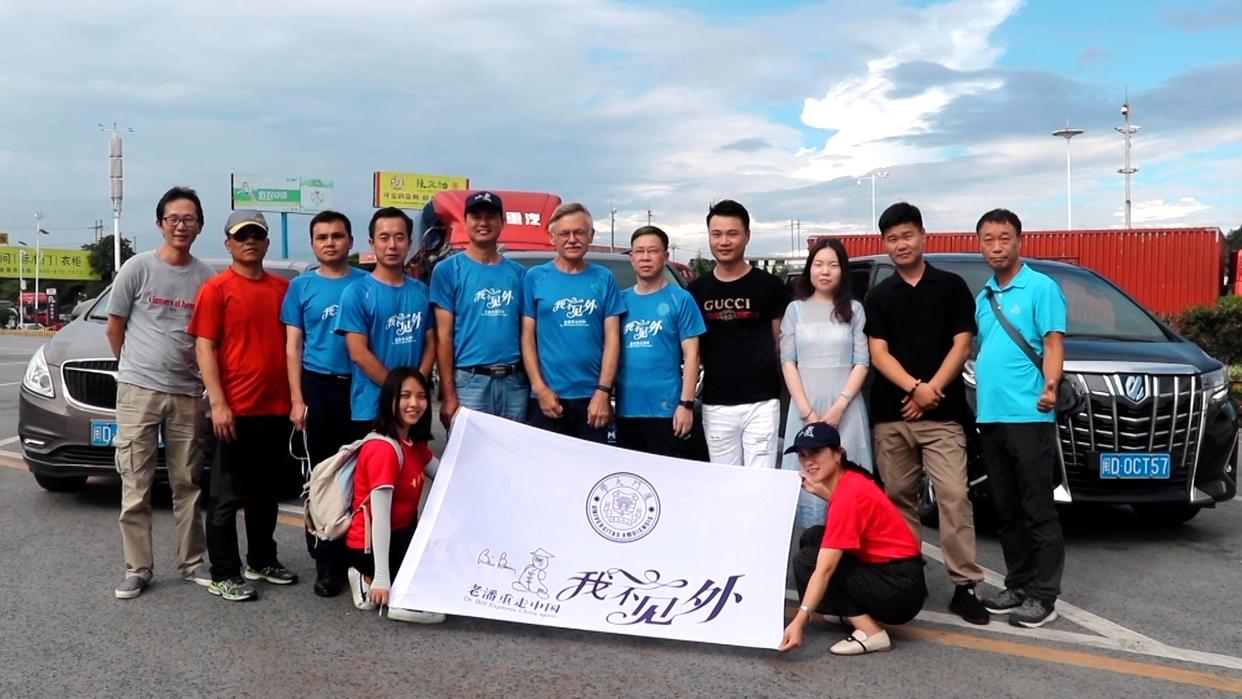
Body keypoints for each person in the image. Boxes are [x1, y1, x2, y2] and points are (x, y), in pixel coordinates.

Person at [863, 201, 988, 625]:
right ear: (885, 243)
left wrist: (932, 390)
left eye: (907, 235)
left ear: (922, 236)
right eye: (892, 238)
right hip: (892, 414)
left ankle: (965, 585)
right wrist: (915, 389)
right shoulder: (879, 295)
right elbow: (878, 353)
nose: (901, 244)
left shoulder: (950, 286)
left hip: (943, 414)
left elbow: (962, 343)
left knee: (954, 496)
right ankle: (906, 578)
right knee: (899, 499)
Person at [106, 186, 215, 599]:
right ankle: (138, 568)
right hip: (139, 390)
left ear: (199, 226)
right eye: (173, 219)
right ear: (159, 223)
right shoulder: (138, 268)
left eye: (189, 219)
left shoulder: (206, 278)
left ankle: (192, 562)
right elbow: (114, 326)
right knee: (136, 482)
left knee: (188, 482)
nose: (181, 226)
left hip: (187, 393)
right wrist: (133, 369)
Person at [189, 210, 295, 602]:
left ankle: (262, 559)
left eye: (256, 235)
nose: (249, 241)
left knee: (264, 494)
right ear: (228, 244)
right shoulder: (216, 289)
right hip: (235, 410)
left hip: (275, 408)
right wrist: (218, 403)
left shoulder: (282, 289)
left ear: (266, 242)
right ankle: (224, 572)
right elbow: (205, 347)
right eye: (241, 236)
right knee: (226, 496)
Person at [973, 208, 1068, 629]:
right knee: (1006, 508)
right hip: (991, 416)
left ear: (1019, 241)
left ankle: (1043, 596)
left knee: (1036, 507)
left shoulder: (1042, 288)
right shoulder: (984, 297)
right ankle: (1018, 584)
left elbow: (1053, 343)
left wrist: (1051, 385)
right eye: (988, 239)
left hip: (1030, 415)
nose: (997, 247)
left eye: (1004, 238)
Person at [779, 423, 927, 656]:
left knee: (808, 561)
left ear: (838, 454)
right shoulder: (851, 479)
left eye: (816, 452)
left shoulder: (849, 496)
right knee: (812, 537)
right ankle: (847, 610)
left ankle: (871, 632)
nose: (808, 461)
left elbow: (824, 570)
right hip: (898, 575)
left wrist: (800, 620)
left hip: (898, 590)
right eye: (802, 455)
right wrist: (822, 492)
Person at [281, 210, 369, 598]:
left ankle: (360, 560)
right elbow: (293, 346)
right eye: (322, 237)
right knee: (324, 478)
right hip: (318, 387)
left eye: (337, 235)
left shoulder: (367, 283)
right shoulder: (301, 287)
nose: (330, 242)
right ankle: (326, 563)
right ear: (313, 244)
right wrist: (297, 398)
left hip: (362, 388)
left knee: (362, 476)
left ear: (350, 241)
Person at [688, 200, 788, 468]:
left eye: (732, 233)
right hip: (716, 402)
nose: (724, 241)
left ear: (747, 236)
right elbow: (693, 349)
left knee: (760, 480)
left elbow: (779, 342)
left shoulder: (770, 286)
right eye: (716, 234)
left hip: (762, 401)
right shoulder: (696, 290)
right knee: (725, 481)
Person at [780, 238, 871, 528]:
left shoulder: (854, 310)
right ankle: (812, 548)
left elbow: (862, 362)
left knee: (845, 478)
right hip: (805, 406)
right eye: (818, 264)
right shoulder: (795, 310)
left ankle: (848, 549)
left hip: (845, 408)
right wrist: (807, 412)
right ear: (809, 269)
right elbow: (788, 361)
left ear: (843, 270)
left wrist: (839, 407)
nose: (825, 271)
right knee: (809, 476)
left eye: (833, 265)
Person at [343, 367, 445, 625]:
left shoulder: (414, 444)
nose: (414, 403)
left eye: (421, 396)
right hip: (370, 545)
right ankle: (368, 577)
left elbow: (447, 476)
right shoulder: (383, 449)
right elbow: (380, 519)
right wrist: (382, 576)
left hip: (402, 534)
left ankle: (382, 579)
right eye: (405, 396)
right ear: (390, 399)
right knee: (427, 587)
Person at [521, 202, 623, 442]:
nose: (572, 239)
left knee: (592, 465)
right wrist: (539, 388)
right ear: (552, 238)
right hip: (548, 398)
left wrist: (603, 391)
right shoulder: (535, 277)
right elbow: (527, 337)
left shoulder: (604, 278)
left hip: (592, 399)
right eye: (564, 233)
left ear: (591, 236)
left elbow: (613, 338)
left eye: (579, 232)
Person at [431, 191, 528, 428]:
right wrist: (449, 395)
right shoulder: (447, 270)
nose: (483, 223)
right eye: (476, 217)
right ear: (465, 222)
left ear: (502, 222)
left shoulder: (519, 274)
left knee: (512, 449)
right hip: (470, 382)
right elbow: (444, 336)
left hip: (514, 383)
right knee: (469, 450)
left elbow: (527, 333)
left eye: (490, 216)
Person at [334, 208, 436, 431]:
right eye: (384, 238)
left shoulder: (422, 291)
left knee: (414, 454)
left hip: (414, 408)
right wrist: (399, 393)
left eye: (399, 237)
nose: (392, 245)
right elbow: (359, 353)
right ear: (372, 243)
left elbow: (431, 342)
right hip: (372, 407)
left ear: (409, 243)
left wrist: (415, 389)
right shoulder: (357, 292)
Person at [616, 225, 705, 457]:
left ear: (665, 257)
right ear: (632, 257)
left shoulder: (681, 299)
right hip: (626, 408)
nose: (645, 257)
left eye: (653, 251)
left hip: (666, 410)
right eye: (639, 251)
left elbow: (692, 355)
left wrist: (686, 404)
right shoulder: (620, 301)